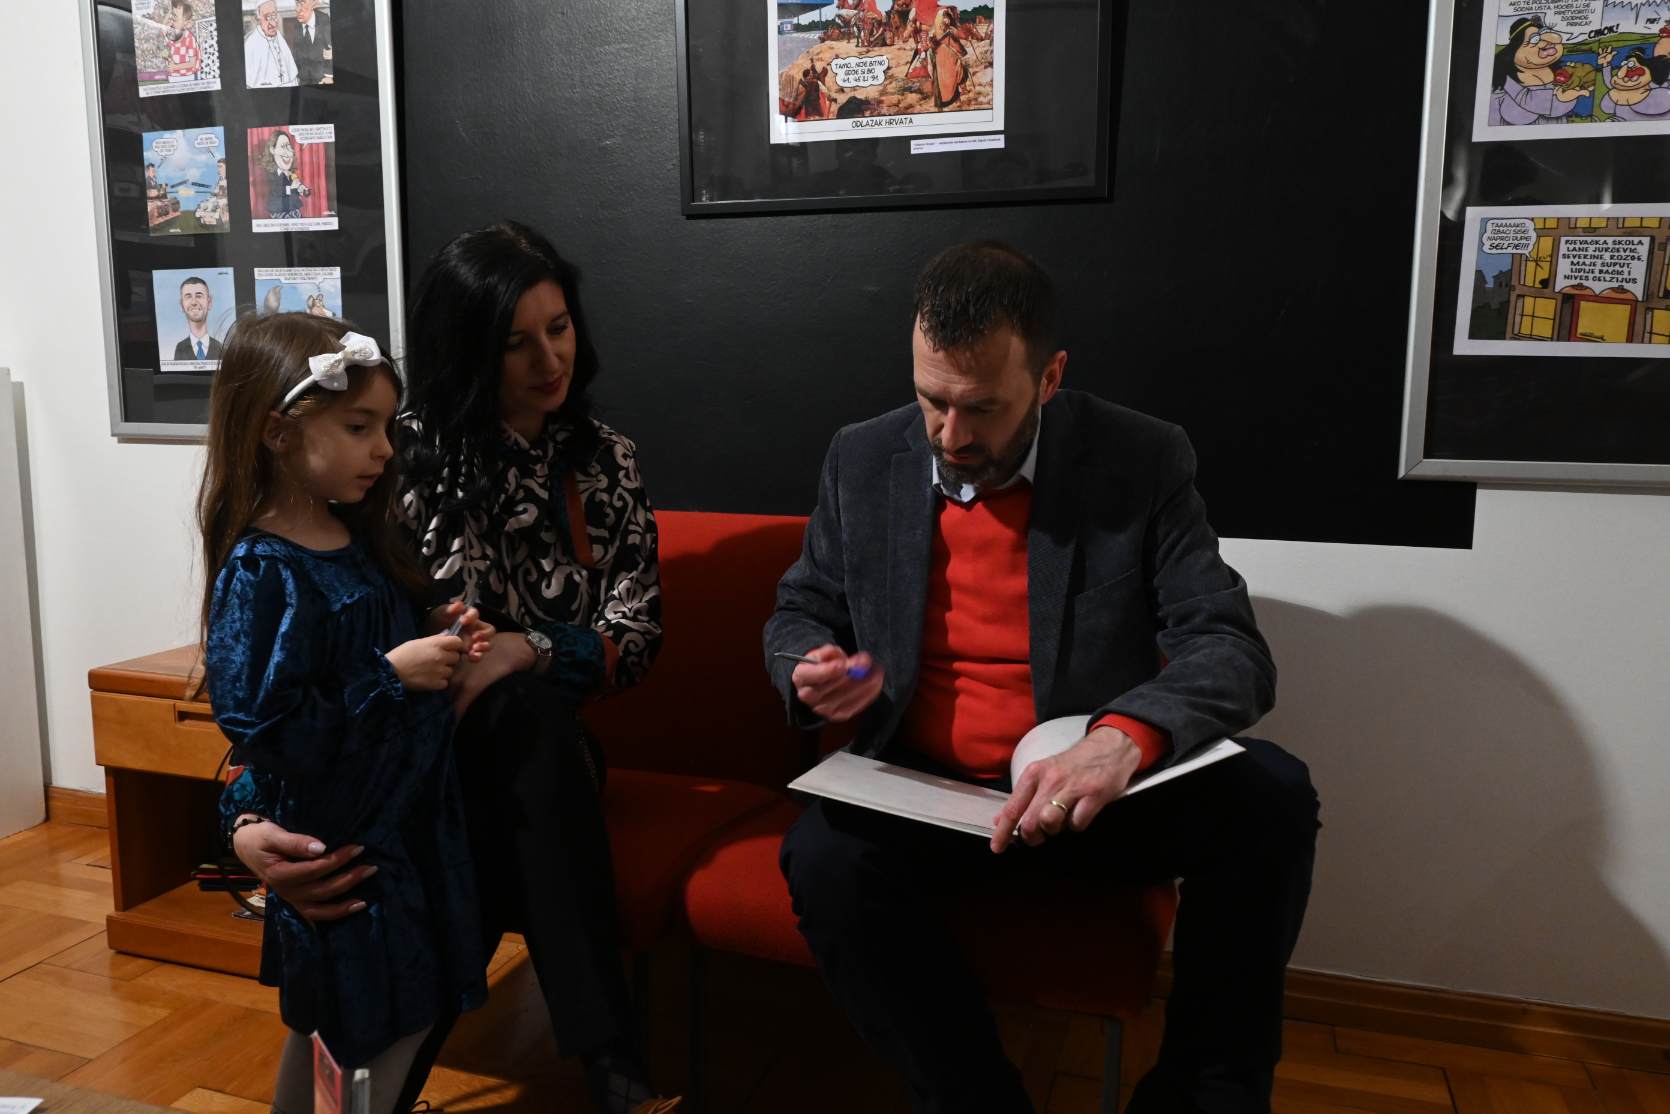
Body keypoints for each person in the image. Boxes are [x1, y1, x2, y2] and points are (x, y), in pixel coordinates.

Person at [766, 241, 1319, 1114]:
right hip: (926, 795)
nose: (950, 437)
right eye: (931, 400)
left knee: (1274, 798)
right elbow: (802, 607)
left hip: (1087, 802)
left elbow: (1228, 645)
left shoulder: (1141, 458)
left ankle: (1203, 1095)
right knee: (823, 859)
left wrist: (1121, 741)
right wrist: (808, 664)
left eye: (982, 408)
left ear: (1050, 377)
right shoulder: (862, 457)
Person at [228, 222, 678, 1114]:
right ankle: (613, 1071)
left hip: (537, 756)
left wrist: (523, 650)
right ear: (469, 347)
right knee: (445, 838)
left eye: (559, 327)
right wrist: (242, 817)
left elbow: (637, 633)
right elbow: (292, 658)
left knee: (522, 720)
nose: (550, 359)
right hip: (396, 762)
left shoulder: (604, 460)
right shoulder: (389, 456)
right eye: (516, 342)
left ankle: (592, 1072)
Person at [201, 313, 495, 1114]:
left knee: (378, 1025)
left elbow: (370, 648)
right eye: (360, 427)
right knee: (361, 1031)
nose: (385, 450)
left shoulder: (359, 538)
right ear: (279, 433)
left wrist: (436, 629)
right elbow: (265, 727)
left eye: (386, 427)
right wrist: (391, 677)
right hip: (348, 846)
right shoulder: (264, 570)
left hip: (408, 830)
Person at [1488, 18, 1586, 125]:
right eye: (1534, 39)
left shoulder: (1559, 74)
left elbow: (1557, 108)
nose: (1547, 44)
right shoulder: (1504, 82)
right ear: (1514, 50)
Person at [1598, 46, 1670, 120]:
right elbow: (1612, 84)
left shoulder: (1656, 90)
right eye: (1624, 64)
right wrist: (1606, 64)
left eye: (1632, 66)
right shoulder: (1619, 93)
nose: (1620, 74)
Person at [259, 129, 311, 220]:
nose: (287, 152)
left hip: (293, 209)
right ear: (272, 150)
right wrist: (291, 188)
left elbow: (295, 189)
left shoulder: (291, 173)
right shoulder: (272, 174)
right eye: (282, 146)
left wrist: (301, 189)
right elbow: (277, 191)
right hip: (279, 211)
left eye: (289, 147)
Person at [245, 0, 299, 88]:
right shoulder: (251, 45)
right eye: (267, 17)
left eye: (274, 16)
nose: (273, 23)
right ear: (258, 19)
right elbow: (251, 84)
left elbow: (292, 76)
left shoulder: (279, 37)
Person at [173, 276, 223, 361]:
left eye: (199, 296)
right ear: (182, 305)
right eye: (188, 296)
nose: (194, 302)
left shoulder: (221, 348)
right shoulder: (180, 348)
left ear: (209, 302)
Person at [287, 0, 333, 85]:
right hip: (304, 80)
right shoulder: (296, 25)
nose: (297, 9)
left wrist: (329, 77)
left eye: (302, 3)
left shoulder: (324, 20)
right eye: (297, 4)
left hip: (323, 79)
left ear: (313, 5)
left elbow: (331, 52)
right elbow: (295, 56)